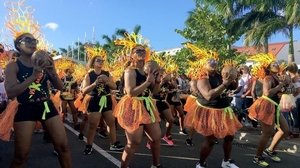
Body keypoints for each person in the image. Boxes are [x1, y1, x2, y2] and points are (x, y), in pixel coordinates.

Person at [4, 33, 71, 168]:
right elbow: (11, 92)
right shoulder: (13, 66)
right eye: (27, 40)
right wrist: (34, 76)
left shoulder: (44, 62)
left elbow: (60, 86)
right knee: (21, 156)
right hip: (25, 108)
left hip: (46, 105)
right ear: (18, 45)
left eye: (34, 40)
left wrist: (52, 71)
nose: (32, 42)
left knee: (63, 148)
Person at [113, 45, 162, 168]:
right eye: (137, 51)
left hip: (147, 105)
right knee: (134, 142)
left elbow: (155, 92)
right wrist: (147, 82)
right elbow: (131, 92)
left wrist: (157, 81)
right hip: (133, 106)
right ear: (132, 55)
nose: (141, 52)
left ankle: (156, 165)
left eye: (143, 50)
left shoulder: (148, 71)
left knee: (156, 138)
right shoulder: (130, 71)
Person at [248, 54, 290, 167]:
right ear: (268, 67)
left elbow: (283, 91)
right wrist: (281, 84)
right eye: (273, 64)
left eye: (276, 63)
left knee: (284, 130)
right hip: (266, 105)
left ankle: (270, 150)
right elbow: (267, 93)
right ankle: (257, 157)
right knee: (268, 133)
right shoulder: (268, 78)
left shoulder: (278, 77)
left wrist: (287, 84)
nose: (276, 64)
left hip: (275, 106)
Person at [81, 54, 124, 155]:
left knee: (111, 123)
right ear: (93, 63)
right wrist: (95, 83)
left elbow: (114, 86)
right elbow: (84, 90)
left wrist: (107, 81)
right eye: (98, 61)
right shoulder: (89, 75)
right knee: (93, 125)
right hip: (94, 100)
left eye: (102, 61)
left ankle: (113, 144)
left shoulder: (107, 73)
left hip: (107, 99)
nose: (101, 62)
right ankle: (89, 145)